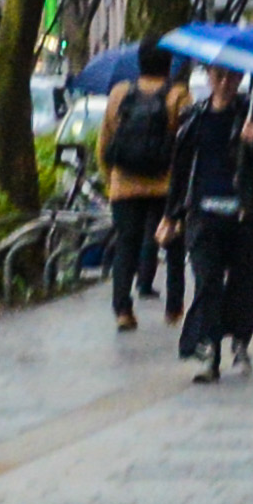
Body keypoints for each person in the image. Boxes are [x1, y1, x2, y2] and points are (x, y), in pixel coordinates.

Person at [168, 73, 253, 376]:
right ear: (209, 75)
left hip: (245, 214)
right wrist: (171, 215)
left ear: (240, 77)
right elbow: (180, 170)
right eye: (218, 75)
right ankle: (209, 350)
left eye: (231, 75)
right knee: (208, 281)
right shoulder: (195, 116)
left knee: (243, 284)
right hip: (203, 216)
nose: (225, 82)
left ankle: (240, 340)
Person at [96, 54, 185, 325]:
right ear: (169, 65)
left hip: (125, 185)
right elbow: (186, 145)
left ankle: (123, 310)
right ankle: (173, 308)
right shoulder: (178, 95)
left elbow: (105, 140)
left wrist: (109, 177)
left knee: (127, 245)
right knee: (173, 246)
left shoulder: (120, 93)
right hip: (165, 185)